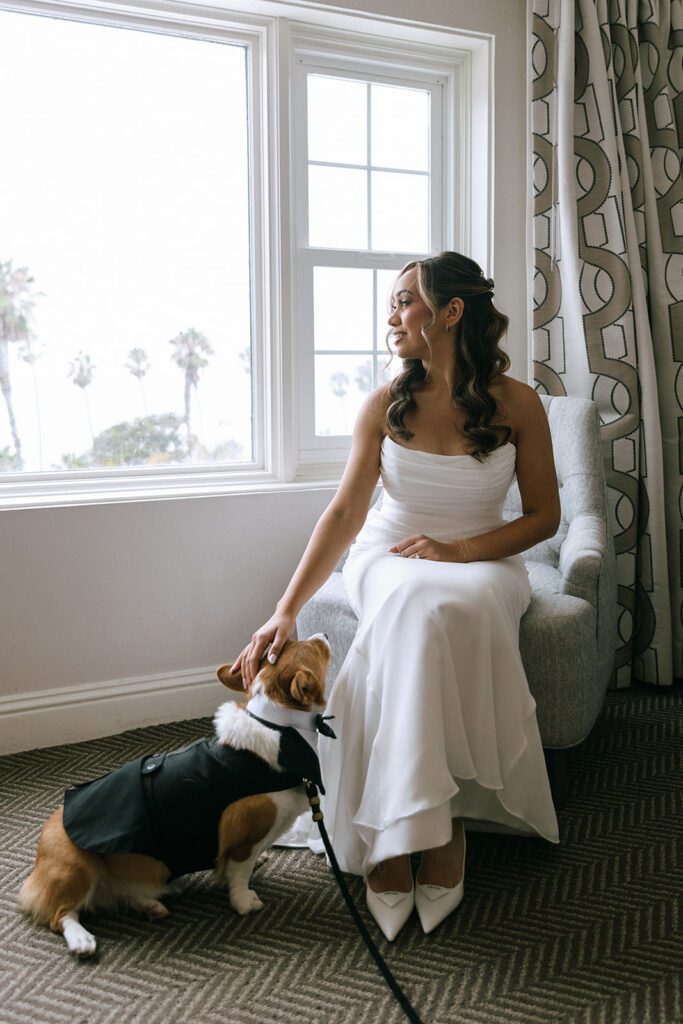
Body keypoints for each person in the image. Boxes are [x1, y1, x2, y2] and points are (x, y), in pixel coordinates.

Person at [232, 251, 561, 940]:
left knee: (450, 605)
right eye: (393, 303)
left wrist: (459, 551)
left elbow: (542, 518)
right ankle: (405, 830)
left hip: (484, 559)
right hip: (388, 553)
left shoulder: (517, 403)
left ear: (451, 311)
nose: (392, 316)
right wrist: (285, 608)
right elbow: (345, 513)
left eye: (405, 301)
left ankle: (433, 827)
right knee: (414, 604)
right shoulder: (383, 404)